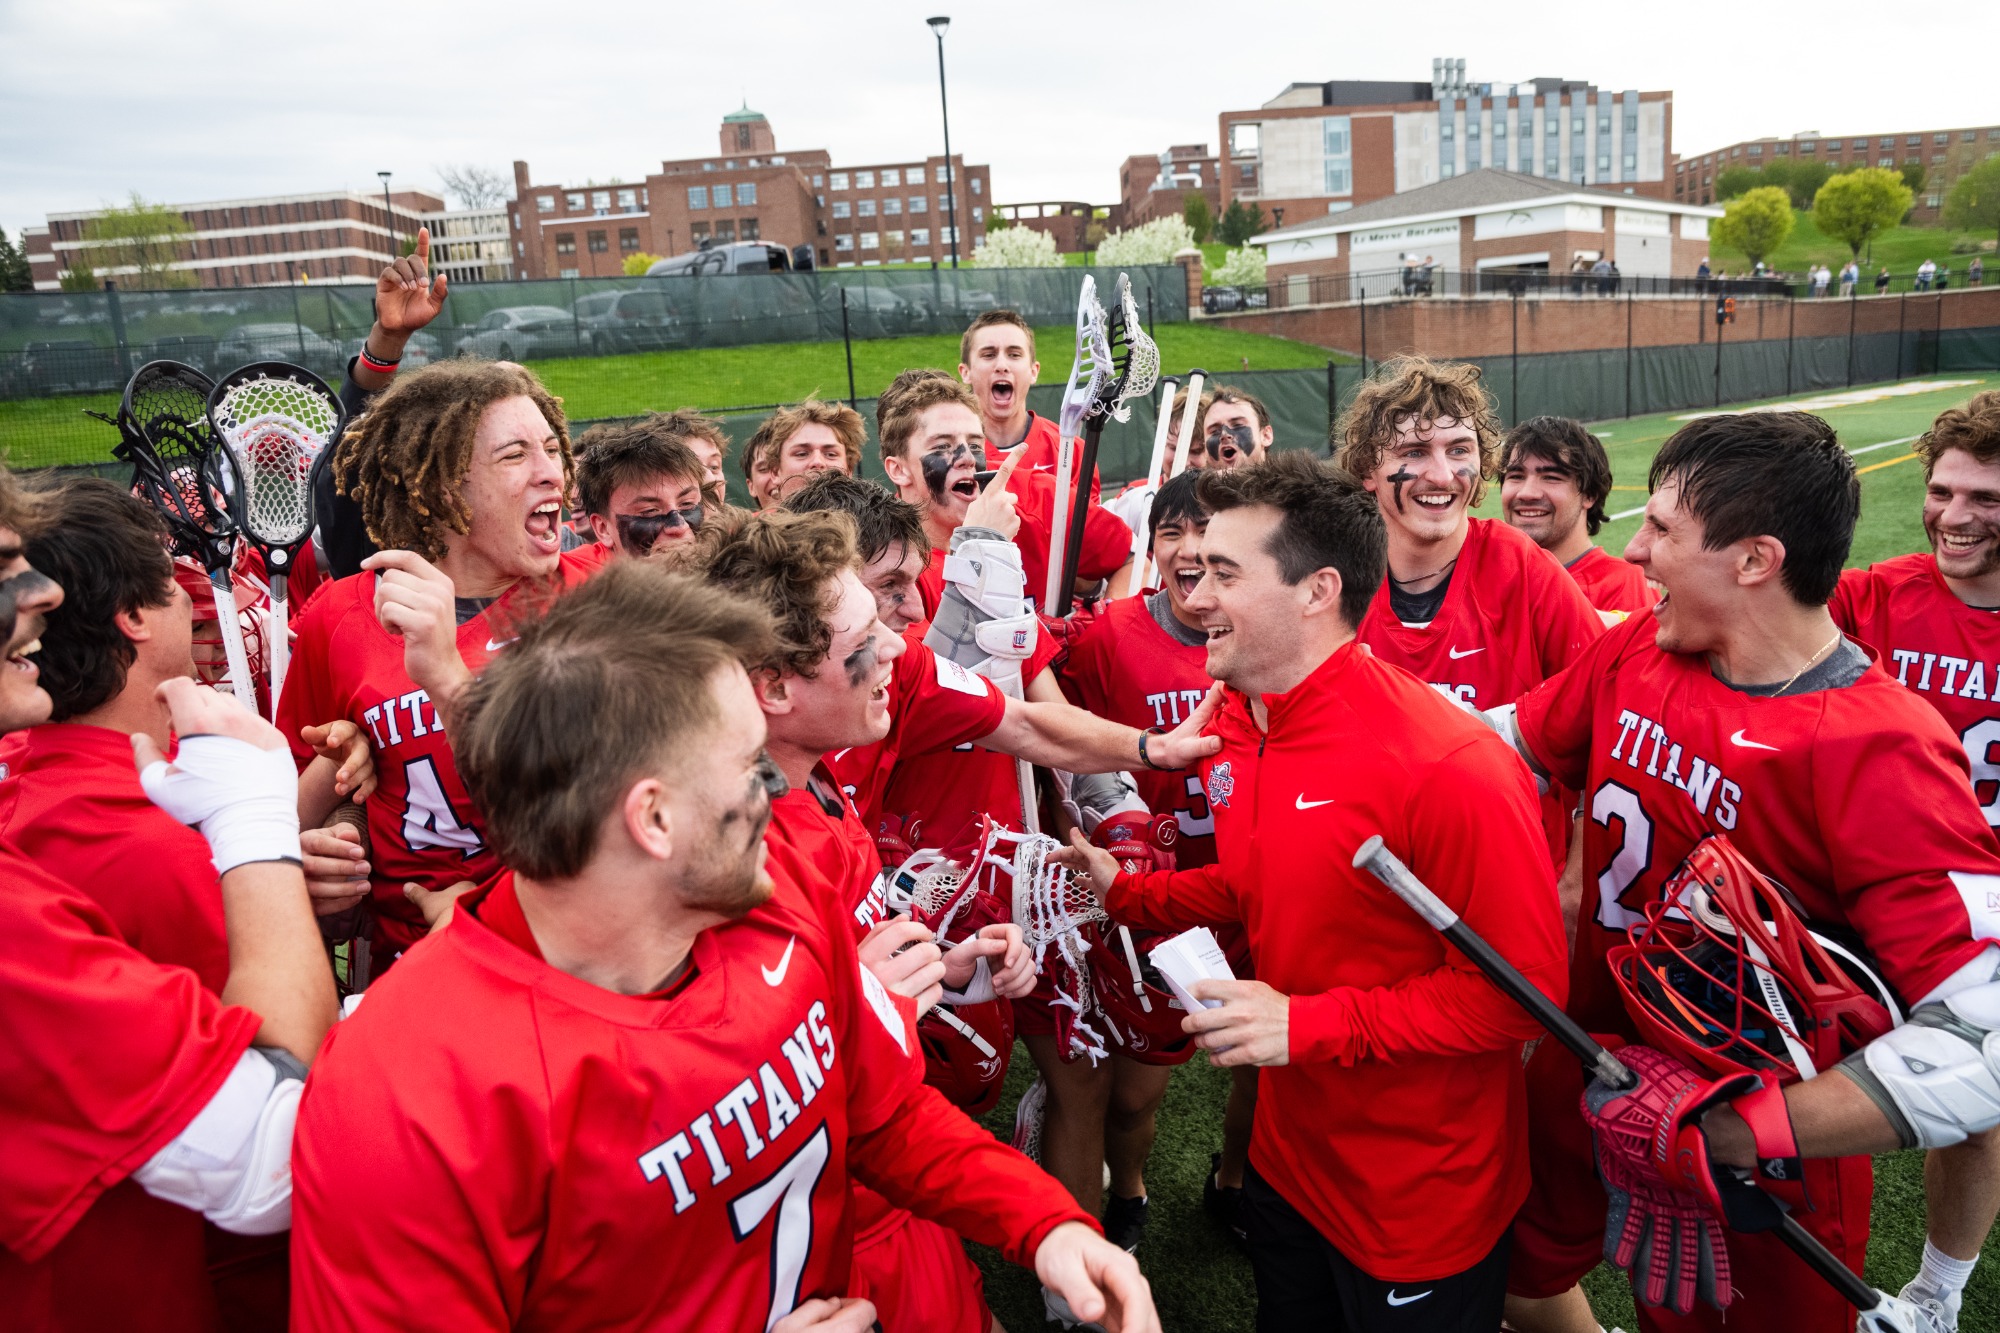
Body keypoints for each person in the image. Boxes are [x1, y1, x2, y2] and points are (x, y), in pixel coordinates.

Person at [287, 560, 1160, 1333]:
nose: (777, 793)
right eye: (750, 768)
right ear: (654, 818)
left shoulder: (781, 881)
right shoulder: (405, 1096)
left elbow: (884, 1112)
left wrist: (1046, 1224)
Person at [1492, 410, 2000, 1333]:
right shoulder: (1641, 646)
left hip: (1750, 1137)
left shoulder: (1879, 745)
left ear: (1757, 560)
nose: (1634, 551)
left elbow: (1984, 1037)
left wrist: (1733, 1129)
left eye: (1662, 529)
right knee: (1502, 1272)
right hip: (1589, 1057)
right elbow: (1500, 747)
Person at [1055, 452, 1569, 1333]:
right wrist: (1132, 896)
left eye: (1224, 573)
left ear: (1318, 590)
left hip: (1415, 1195)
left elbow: (1521, 995)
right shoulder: (1241, 719)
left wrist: (1306, 1025)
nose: (1193, 594)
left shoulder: (1450, 764)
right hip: (1289, 1164)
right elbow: (1272, 876)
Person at [0, 466, 336, 1330]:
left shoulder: (36, 796)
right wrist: (258, 839)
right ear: (134, 616)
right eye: (1, 572)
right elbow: (275, 1143)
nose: (35, 595)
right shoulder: (150, 847)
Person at [282, 358, 599, 978]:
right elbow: (290, 813)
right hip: (407, 970)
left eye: (550, 448)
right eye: (515, 455)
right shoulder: (339, 616)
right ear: (444, 490)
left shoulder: (605, 598)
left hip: (565, 955)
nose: (551, 472)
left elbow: (618, 809)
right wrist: (328, 852)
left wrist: (487, 914)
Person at [1829, 389, 2000, 1329]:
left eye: (1985, 498)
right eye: (1943, 491)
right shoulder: (1878, 594)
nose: (1954, 515)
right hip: (1877, 890)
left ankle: (1939, 1293)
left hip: (1987, 908)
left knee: (1973, 1109)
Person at [1054, 469, 1228, 1254]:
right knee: (1134, 1091)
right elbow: (1047, 727)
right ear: (1151, 547)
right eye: (1173, 532)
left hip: (1242, 891)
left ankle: (1241, 1183)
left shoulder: (1264, 633)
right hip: (1143, 904)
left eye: (1209, 531)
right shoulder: (1107, 635)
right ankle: (1128, 1186)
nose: (1190, 549)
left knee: (1270, 1071)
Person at [1337, 358, 1601, 875]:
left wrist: (1575, 879)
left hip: (1513, 870)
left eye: (1459, 450)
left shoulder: (1522, 567)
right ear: (1369, 470)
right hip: (1372, 873)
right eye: (1413, 452)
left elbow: (1603, 716)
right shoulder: (1334, 580)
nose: (1441, 475)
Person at [876, 369, 1128, 620]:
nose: (967, 458)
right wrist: (983, 544)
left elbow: (1131, 560)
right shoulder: (885, 561)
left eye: (975, 445)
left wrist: (1107, 631)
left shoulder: (1031, 495)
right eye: (942, 446)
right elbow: (955, 641)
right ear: (898, 469)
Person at [1498, 415, 1652, 619]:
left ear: (1589, 495)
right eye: (1516, 476)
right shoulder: (1488, 576)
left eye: (1551, 478)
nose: (1527, 493)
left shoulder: (1624, 586)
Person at [572, 418, 709, 560]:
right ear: (603, 529)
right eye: (649, 511)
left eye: (687, 504)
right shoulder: (573, 572)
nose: (679, 526)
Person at [742, 400, 865, 510]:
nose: (817, 462)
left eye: (831, 454)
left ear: (849, 471)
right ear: (775, 471)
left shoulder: (872, 527)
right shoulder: (752, 529)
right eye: (802, 454)